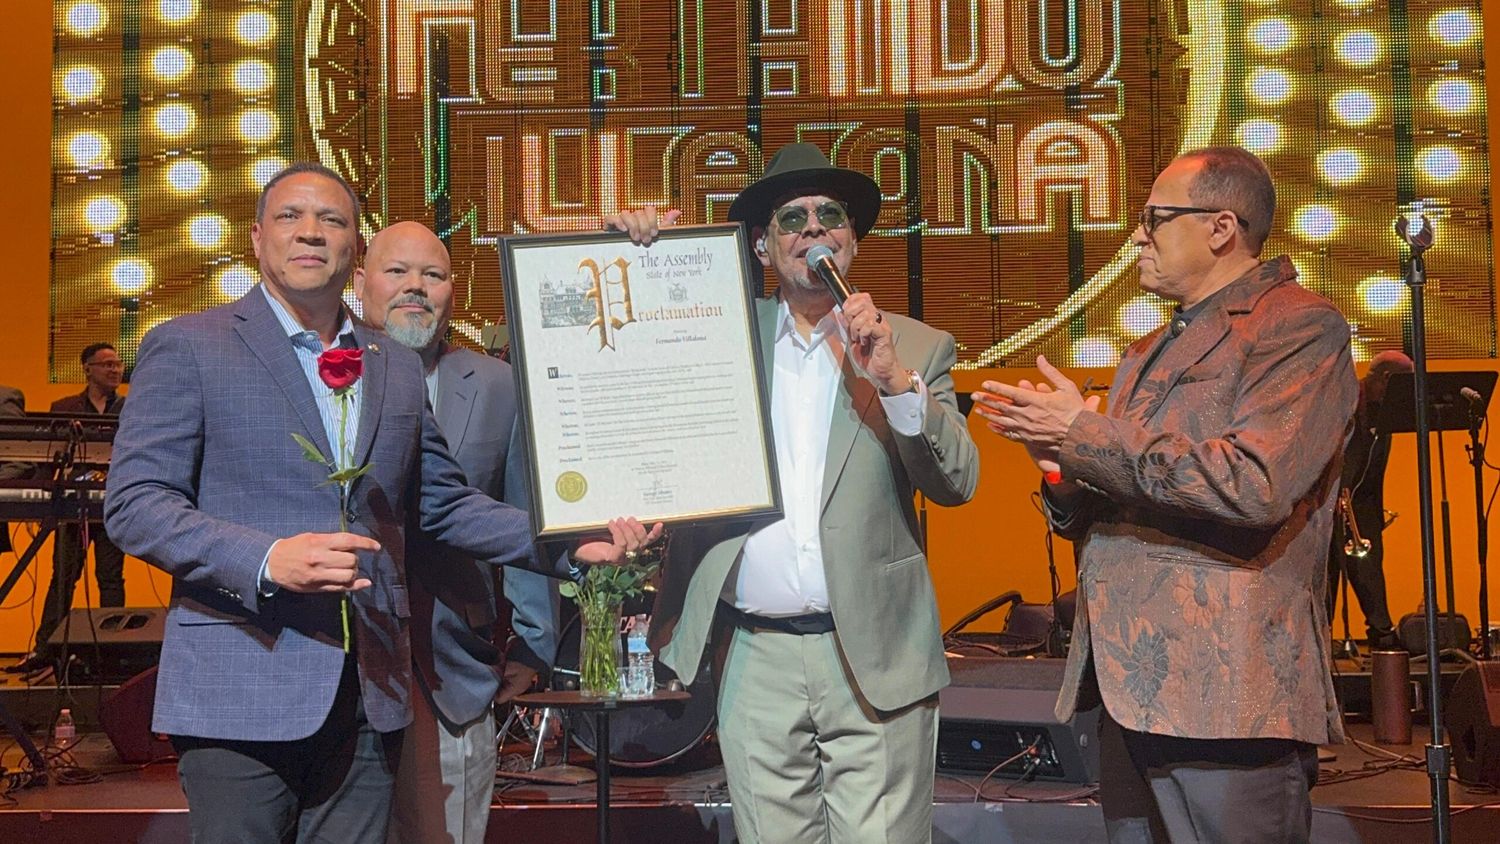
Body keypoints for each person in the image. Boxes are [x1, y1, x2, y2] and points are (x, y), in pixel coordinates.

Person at [104, 162, 658, 844]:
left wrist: (568, 539)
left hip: (372, 691)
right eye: (290, 216)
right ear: (256, 237)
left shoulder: (390, 361)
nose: (311, 232)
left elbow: (442, 503)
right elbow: (135, 504)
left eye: (331, 220)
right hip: (241, 685)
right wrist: (267, 558)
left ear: (353, 248)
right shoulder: (190, 345)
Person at [972, 146, 1358, 843]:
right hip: (1129, 684)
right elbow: (1109, 505)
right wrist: (1061, 466)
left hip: (1226, 691)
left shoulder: (1298, 327)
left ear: (1221, 227)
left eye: (1154, 218)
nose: (1138, 237)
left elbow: (1254, 484)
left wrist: (1084, 433)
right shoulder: (1144, 349)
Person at [607, 143, 979, 844]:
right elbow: (623, 345)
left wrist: (893, 381)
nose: (813, 228)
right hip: (756, 655)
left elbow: (956, 480)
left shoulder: (914, 347)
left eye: (829, 216)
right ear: (762, 246)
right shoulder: (716, 336)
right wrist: (633, 251)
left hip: (874, 654)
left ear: (851, 240)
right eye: (792, 218)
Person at [353, 221, 560, 843]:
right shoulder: (322, 371)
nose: (415, 287)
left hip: (452, 663)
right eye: (396, 271)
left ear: (453, 291)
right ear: (359, 282)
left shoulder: (497, 385)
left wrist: (534, 642)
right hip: (338, 659)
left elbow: (517, 507)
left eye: (433, 275)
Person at [7, 343, 128, 675]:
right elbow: (48, 457)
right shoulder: (64, 407)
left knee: (111, 578)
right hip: (72, 505)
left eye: (117, 364)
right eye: (107, 364)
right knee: (62, 578)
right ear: (87, 369)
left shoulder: (130, 408)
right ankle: (45, 649)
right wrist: (42, 498)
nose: (115, 370)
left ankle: (113, 651)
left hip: (112, 504)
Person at [1328, 350, 1412, 651]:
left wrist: (1374, 520)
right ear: (1387, 378)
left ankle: (1382, 637)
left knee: (1370, 572)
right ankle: (1322, 636)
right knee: (1328, 573)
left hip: (1362, 503)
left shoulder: (1384, 411)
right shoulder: (1344, 399)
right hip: (1330, 502)